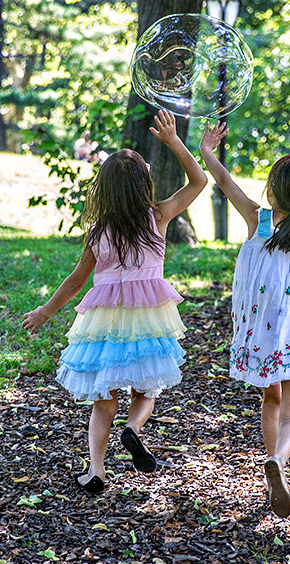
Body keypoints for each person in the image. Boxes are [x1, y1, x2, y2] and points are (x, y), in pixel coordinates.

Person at [22, 110, 207, 494]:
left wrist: (44, 312)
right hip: (147, 320)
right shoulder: (158, 217)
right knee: (146, 391)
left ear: (103, 189)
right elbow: (200, 181)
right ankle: (133, 429)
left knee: (103, 400)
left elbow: (76, 281)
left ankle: (96, 472)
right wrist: (173, 141)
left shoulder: (97, 231)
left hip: (104, 323)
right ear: (145, 184)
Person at [199, 121, 290, 517]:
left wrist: (209, 150)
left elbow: (224, 182)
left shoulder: (258, 219)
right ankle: (279, 459)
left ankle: (269, 469)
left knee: (270, 397)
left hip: (263, 334)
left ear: (271, 190)